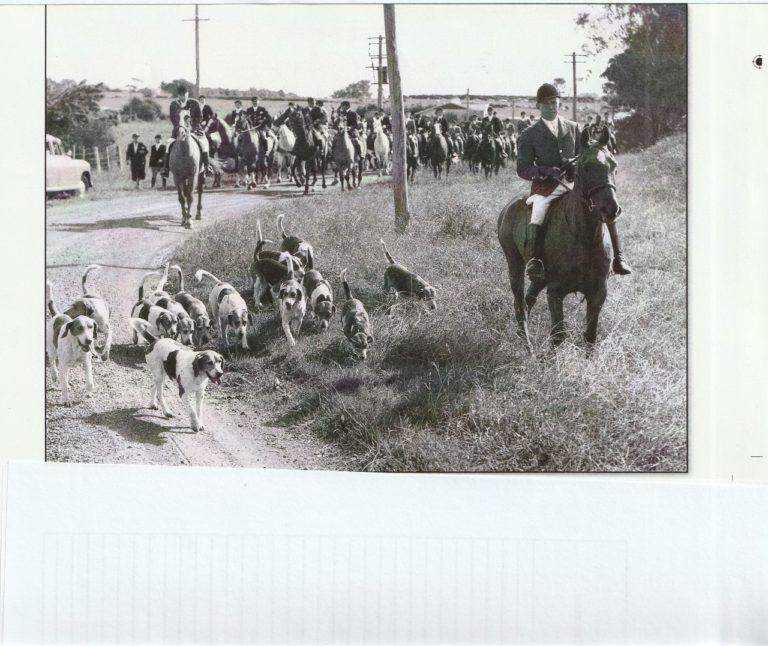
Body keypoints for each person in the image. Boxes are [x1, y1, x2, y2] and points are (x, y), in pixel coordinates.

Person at [516, 83, 631, 281]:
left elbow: (585, 156)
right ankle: (535, 261)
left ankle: (618, 258)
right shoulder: (529, 135)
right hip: (547, 187)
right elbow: (523, 168)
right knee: (539, 210)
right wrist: (544, 171)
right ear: (539, 106)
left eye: (555, 103)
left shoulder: (574, 128)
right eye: (547, 104)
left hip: (574, 183)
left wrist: (576, 165)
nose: (552, 107)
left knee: (604, 204)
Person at [162, 83, 212, 176]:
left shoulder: (194, 103)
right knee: (169, 144)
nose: (183, 97)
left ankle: (207, 166)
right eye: (180, 95)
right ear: (178, 95)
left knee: (204, 142)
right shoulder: (173, 104)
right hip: (179, 129)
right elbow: (172, 118)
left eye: (184, 95)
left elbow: (200, 117)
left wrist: (191, 126)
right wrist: (180, 127)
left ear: (187, 94)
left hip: (195, 128)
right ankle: (166, 168)